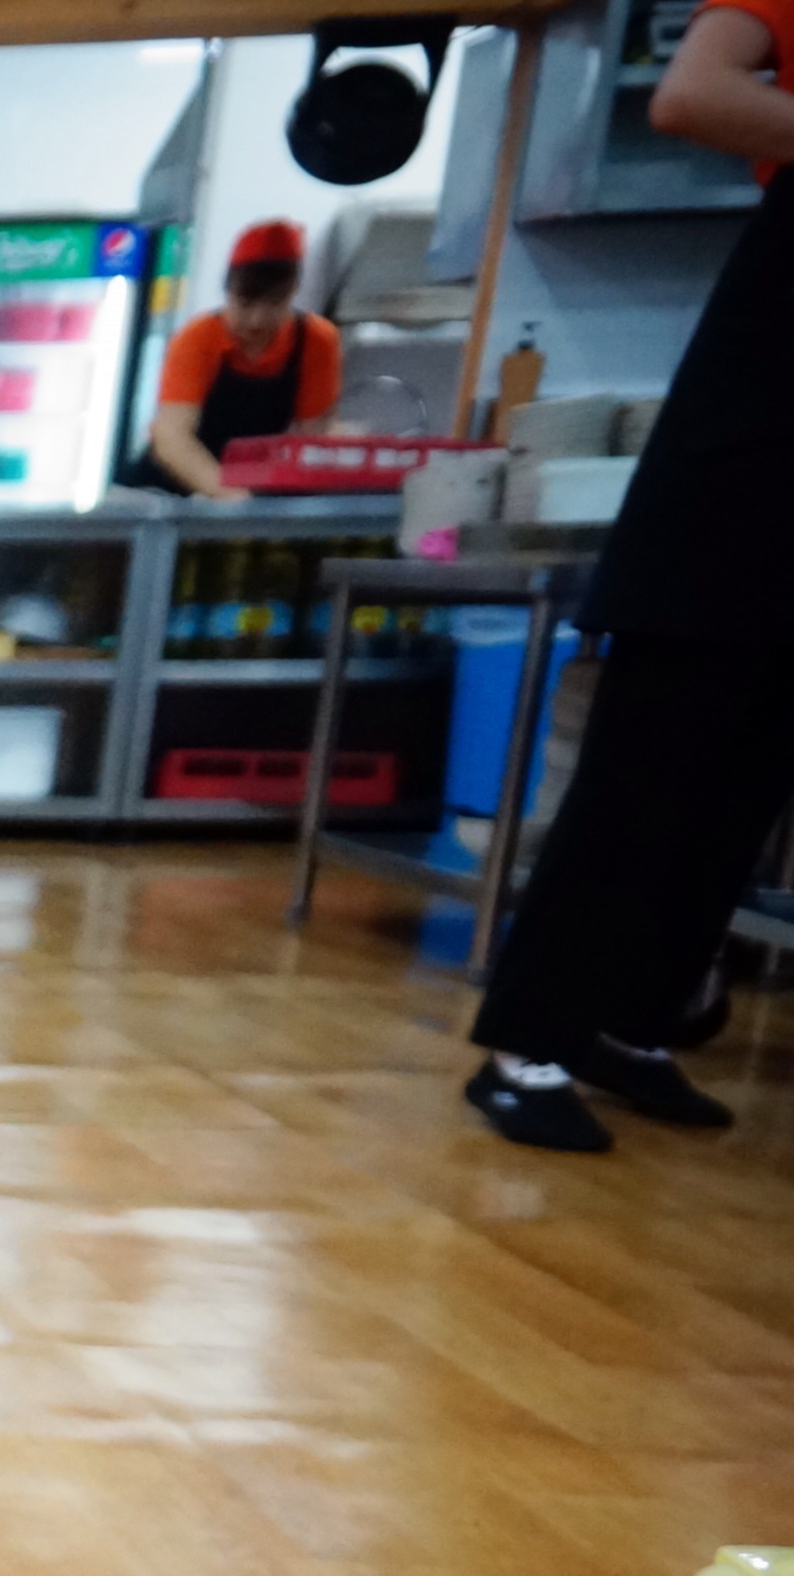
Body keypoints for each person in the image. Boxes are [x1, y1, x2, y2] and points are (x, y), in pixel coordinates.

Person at [461, 0, 794, 1150]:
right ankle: (528, 1045)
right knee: (651, 766)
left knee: (741, 786)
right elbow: (690, 94)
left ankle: (633, 1027)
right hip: (735, 487)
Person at [143, 220, 341, 499]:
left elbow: (313, 439)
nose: (257, 321)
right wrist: (232, 497)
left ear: (293, 293)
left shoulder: (316, 340)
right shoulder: (197, 338)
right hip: (178, 490)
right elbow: (171, 439)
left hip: (256, 487)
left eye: (274, 303)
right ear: (227, 291)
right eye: (245, 303)